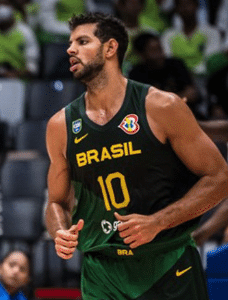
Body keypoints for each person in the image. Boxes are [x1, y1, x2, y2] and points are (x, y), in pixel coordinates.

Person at [45, 12, 228, 299]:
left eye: (82, 41)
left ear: (110, 48)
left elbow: (220, 177)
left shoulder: (161, 107)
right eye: (70, 43)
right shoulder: (60, 125)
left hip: (166, 262)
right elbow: (57, 201)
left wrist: (158, 222)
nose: (70, 49)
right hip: (102, 271)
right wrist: (59, 231)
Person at [128, 33, 200, 111]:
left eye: (160, 48)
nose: (159, 54)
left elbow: (191, 94)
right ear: (141, 54)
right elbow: (143, 105)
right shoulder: (136, 74)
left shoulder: (176, 64)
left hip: (185, 112)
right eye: (153, 50)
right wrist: (179, 98)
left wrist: (162, 102)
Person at [0, 0, 39, 79]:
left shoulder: (26, 32)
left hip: (20, 80)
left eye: (5, 4)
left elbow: (32, 68)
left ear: (13, 7)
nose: (1, 8)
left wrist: (14, 74)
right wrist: (1, 71)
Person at [161, 0, 222, 75]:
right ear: (176, 9)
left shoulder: (212, 32)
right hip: (178, 77)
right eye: (181, 5)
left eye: (188, 4)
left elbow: (210, 59)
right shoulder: (168, 35)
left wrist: (193, 72)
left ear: (197, 6)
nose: (185, 8)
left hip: (205, 77)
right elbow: (168, 59)